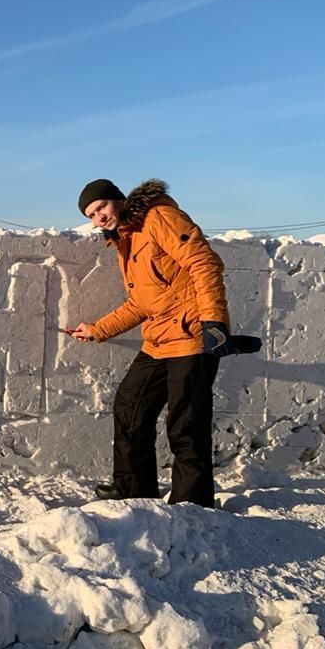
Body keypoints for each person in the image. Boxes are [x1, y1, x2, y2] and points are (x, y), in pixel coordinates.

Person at [69, 178, 237, 508]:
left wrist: (213, 321)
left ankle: (193, 505)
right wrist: (98, 329)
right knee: (130, 406)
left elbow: (204, 262)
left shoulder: (158, 218)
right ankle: (134, 487)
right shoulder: (126, 241)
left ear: (118, 199)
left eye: (101, 207)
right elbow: (143, 303)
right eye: (91, 215)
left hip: (192, 337)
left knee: (186, 425)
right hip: (159, 339)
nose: (98, 218)